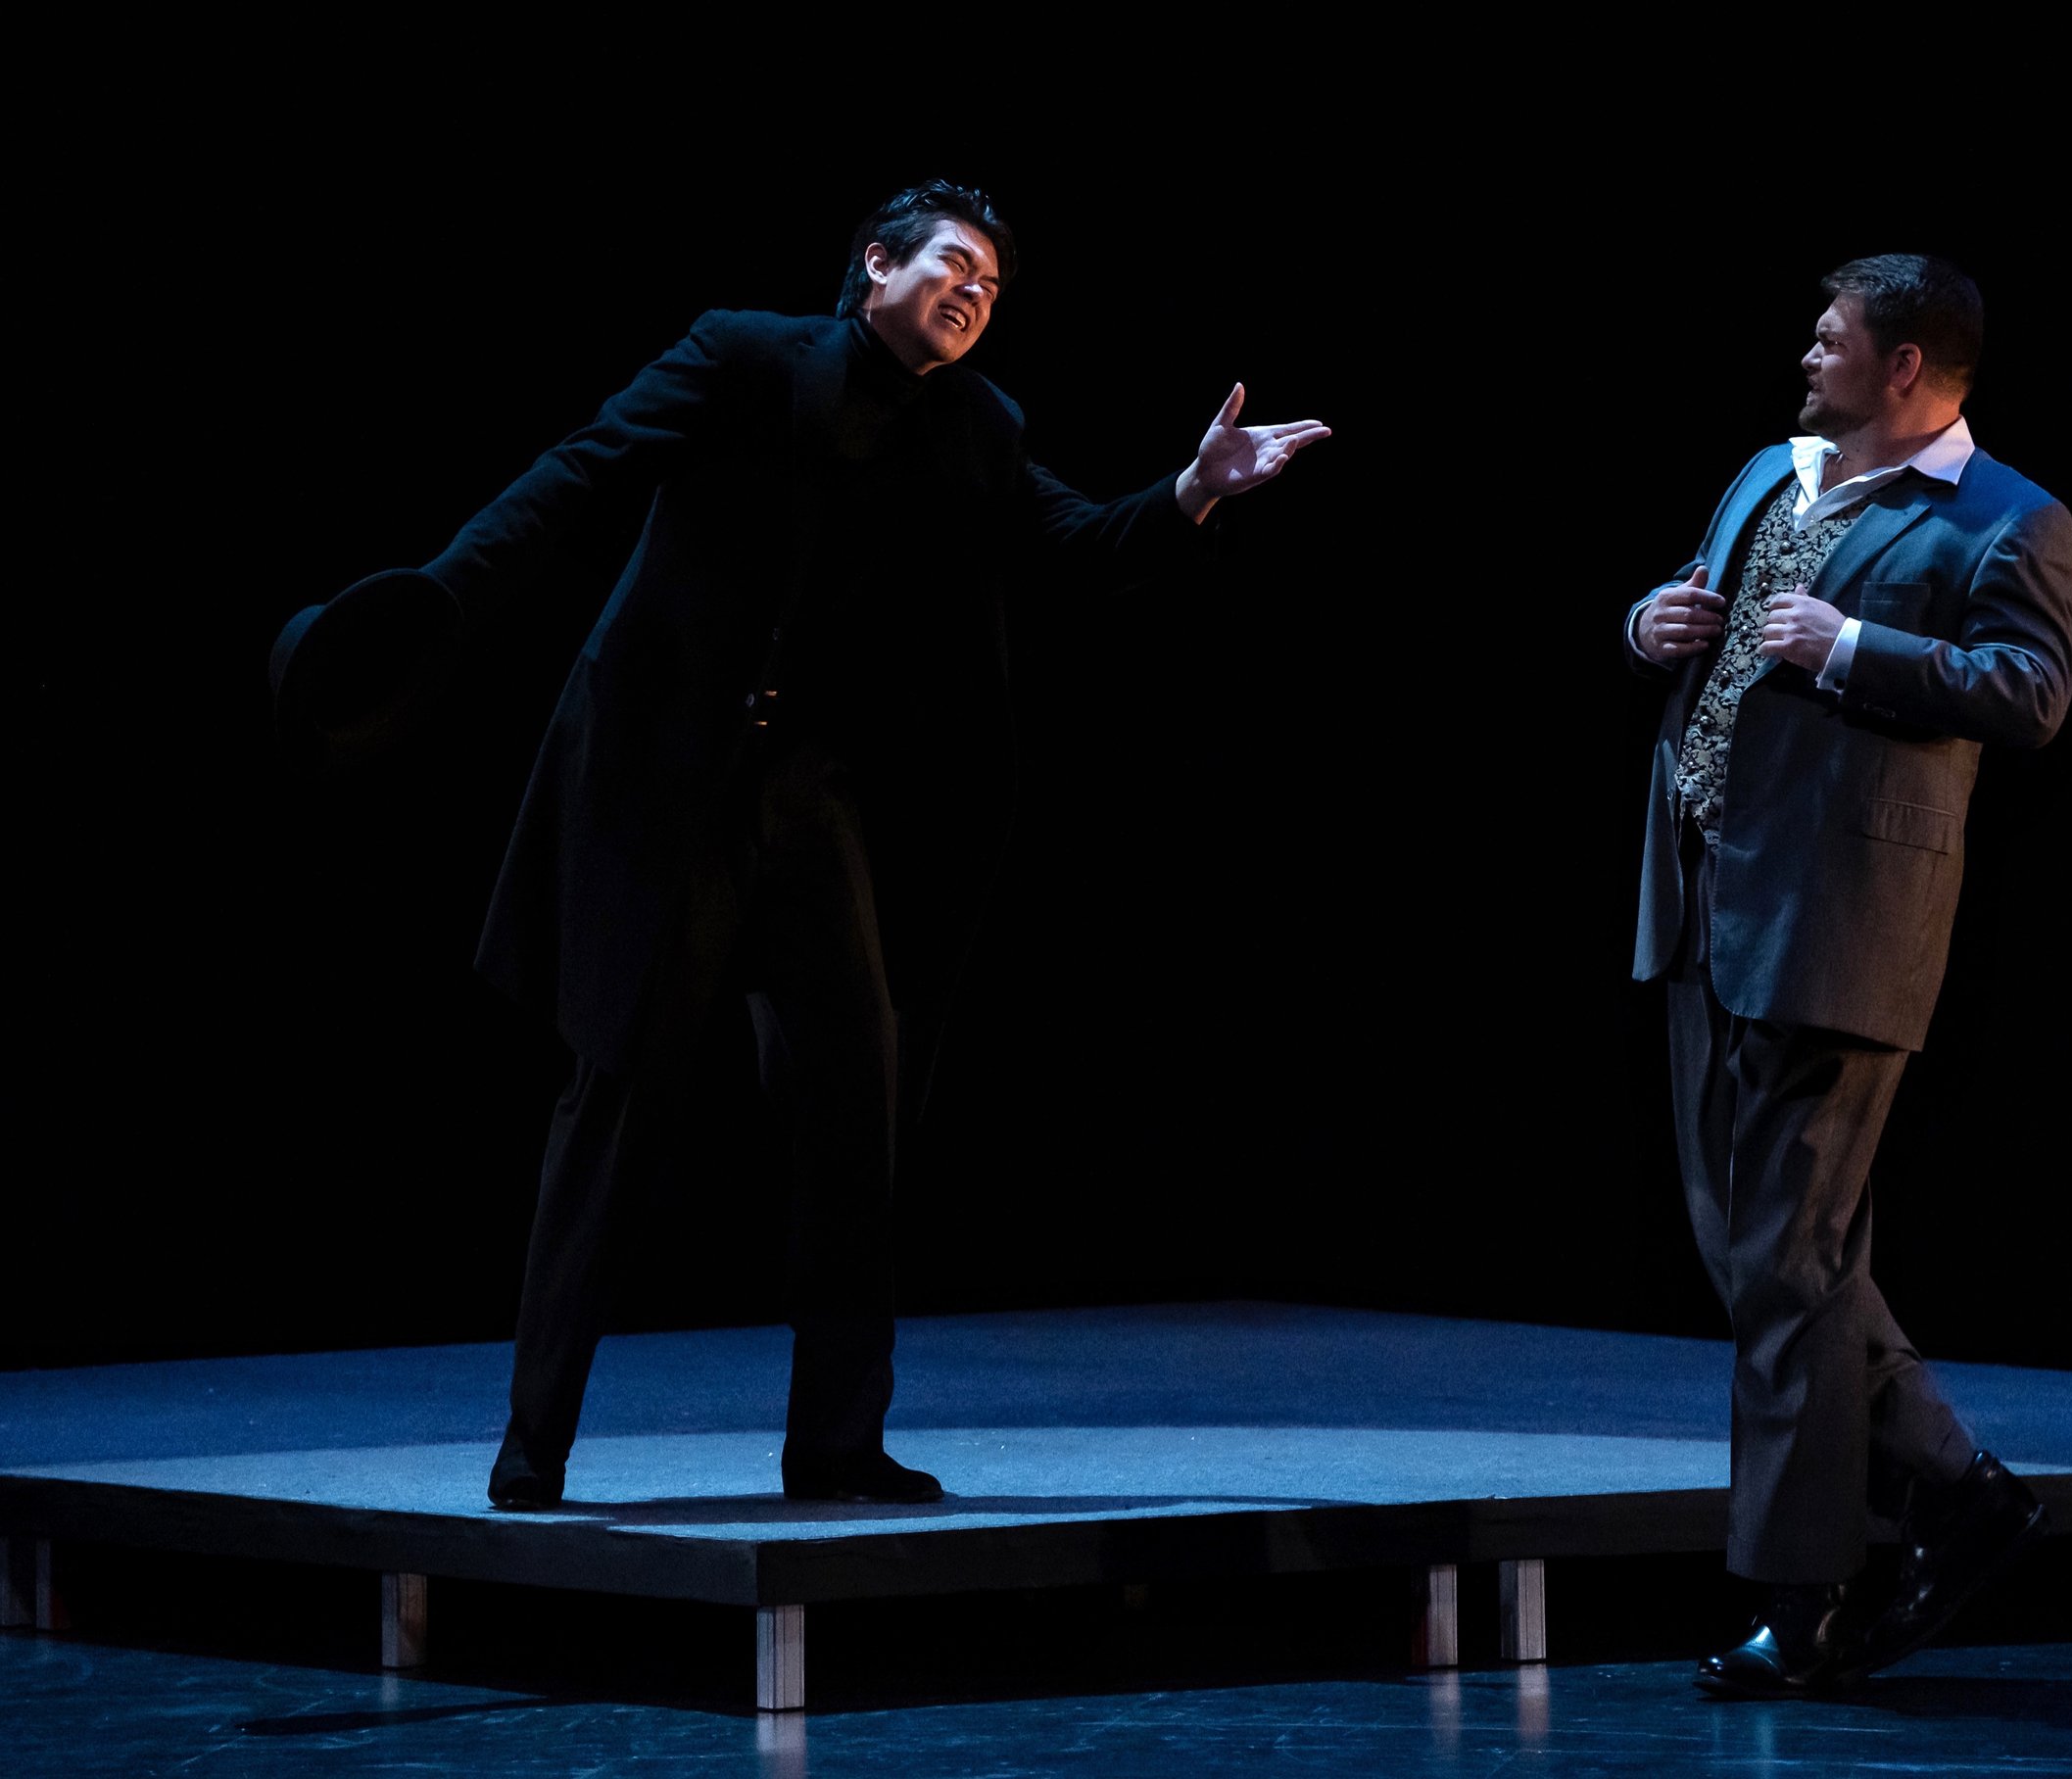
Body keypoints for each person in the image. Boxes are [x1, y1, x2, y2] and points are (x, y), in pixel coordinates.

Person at [277, 179, 1328, 1511]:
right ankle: (534, 1441)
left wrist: (1191, 491)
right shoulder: (744, 356)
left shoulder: (974, 425)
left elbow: (1068, 544)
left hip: (807, 800)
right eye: (953, 266)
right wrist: (437, 599)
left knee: (857, 1107)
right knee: (616, 1102)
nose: (971, 296)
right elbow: (582, 471)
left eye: (993, 290)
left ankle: (836, 1441)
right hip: (663, 787)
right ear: (876, 265)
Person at [1622, 254, 2072, 1695]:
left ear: (1907, 367)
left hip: (1840, 918)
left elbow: (2031, 694)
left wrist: (1858, 644)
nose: (1807, 353)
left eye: (1833, 337)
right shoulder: (1779, 467)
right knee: (1768, 1260)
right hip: (1705, 896)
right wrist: (1652, 625)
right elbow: (1696, 604)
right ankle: (1960, 1488)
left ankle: (1805, 1597)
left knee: (1785, 1269)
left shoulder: (2005, 519)